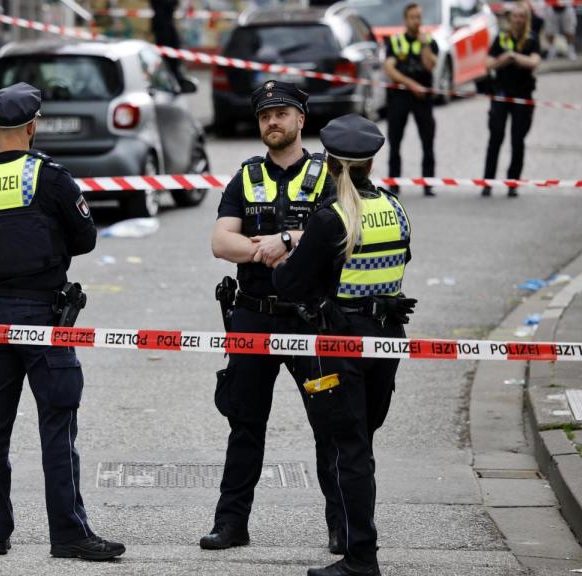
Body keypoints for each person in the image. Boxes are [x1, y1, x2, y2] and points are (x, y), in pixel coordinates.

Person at [0, 82, 125, 561]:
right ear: (33, 126)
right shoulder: (49, 177)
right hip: (44, 316)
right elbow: (86, 237)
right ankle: (68, 534)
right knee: (57, 425)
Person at [272, 114, 416, 576]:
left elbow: (290, 284)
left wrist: (290, 255)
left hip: (342, 342)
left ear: (331, 164)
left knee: (345, 446)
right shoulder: (395, 208)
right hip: (387, 339)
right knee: (362, 443)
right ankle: (359, 544)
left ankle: (360, 557)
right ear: (371, 163)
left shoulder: (331, 219)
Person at [204, 80, 337, 552]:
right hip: (253, 317)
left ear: (301, 120)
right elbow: (222, 243)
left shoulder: (327, 177)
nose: (272, 122)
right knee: (244, 425)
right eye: (265, 116)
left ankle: (341, 526)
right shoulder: (244, 178)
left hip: (311, 319)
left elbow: (340, 235)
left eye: (281, 114)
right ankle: (231, 524)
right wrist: (270, 248)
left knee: (331, 426)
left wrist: (289, 240)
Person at [481, 0, 541, 198]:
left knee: (518, 140)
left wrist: (513, 57)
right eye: (515, 16)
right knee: (495, 138)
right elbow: (488, 64)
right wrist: (505, 59)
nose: (518, 20)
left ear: (526, 19)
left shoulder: (532, 39)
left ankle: (512, 183)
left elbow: (534, 62)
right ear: (510, 18)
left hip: (522, 97)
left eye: (522, 16)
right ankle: (487, 182)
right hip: (501, 95)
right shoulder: (501, 38)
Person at [383, 2, 439, 197]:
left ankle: (428, 183)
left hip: (423, 98)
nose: (417, 21)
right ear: (406, 20)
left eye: (419, 17)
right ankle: (394, 183)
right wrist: (411, 84)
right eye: (413, 17)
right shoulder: (396, 41)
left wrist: (424, 44)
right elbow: (389, 68)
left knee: (428, 140)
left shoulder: (429, 41)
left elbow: (430, 65)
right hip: (400, 97)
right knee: (395, 140)